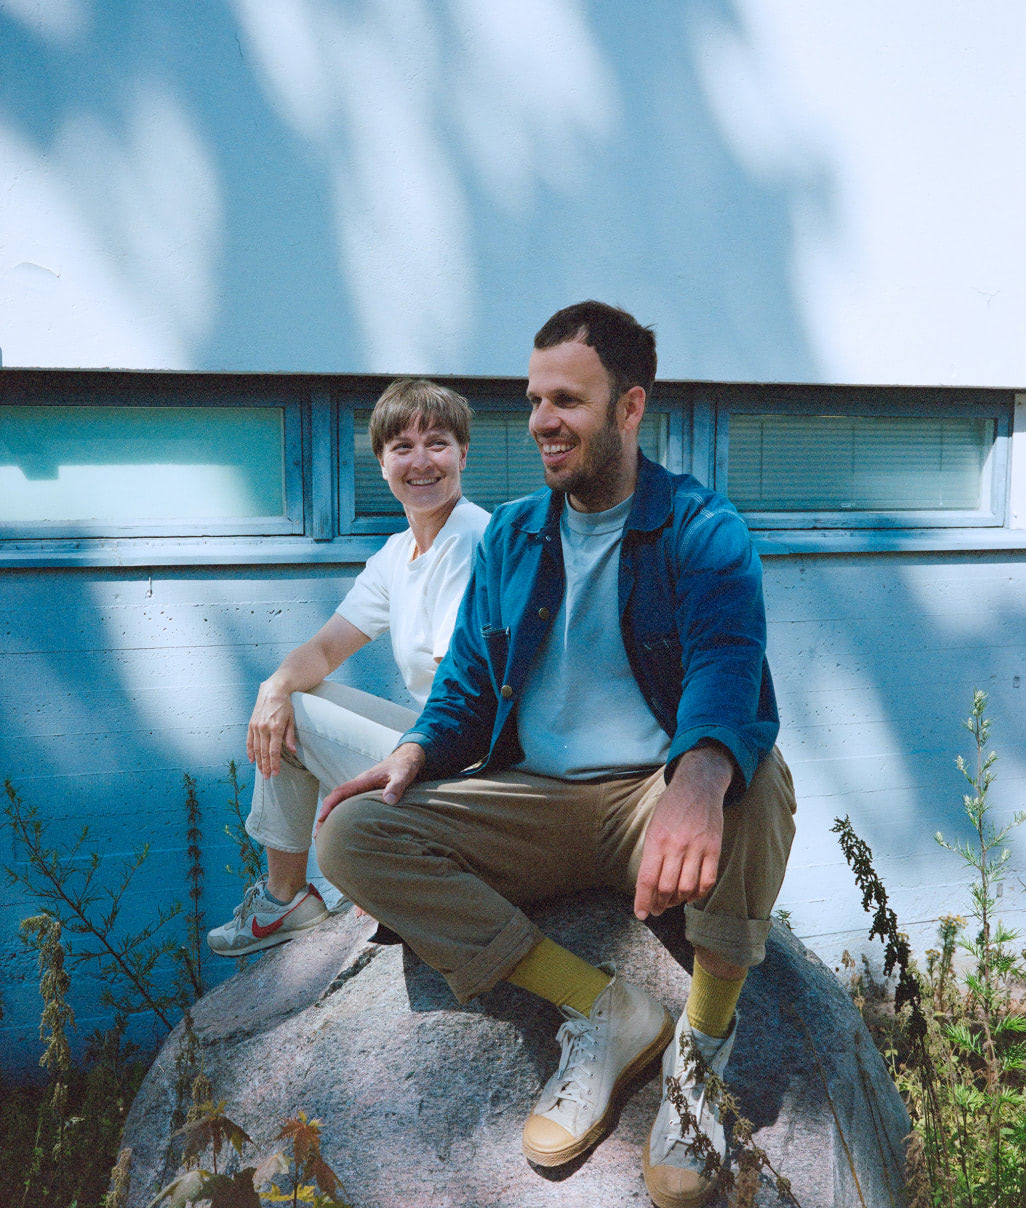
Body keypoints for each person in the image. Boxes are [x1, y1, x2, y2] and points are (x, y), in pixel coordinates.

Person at [314, 303, 796, 1208]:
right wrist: (415, 752)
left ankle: (701, 1050)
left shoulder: (702, 528)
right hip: (529, 801)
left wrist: (699, 776)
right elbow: (463, 683)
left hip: (645, 803)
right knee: (349, 835)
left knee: (757, 779)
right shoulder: (511, 536)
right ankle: (606, 1007)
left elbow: (730, 667)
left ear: (629, 408)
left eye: (567, 400)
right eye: (535, 399)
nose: (541, 421)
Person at [207, 378, 490, 958]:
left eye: (437, 443)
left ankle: (286, 898)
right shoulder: (399, 553)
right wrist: (273, 685)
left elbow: (461, 692)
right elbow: (324, 651)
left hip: (476, 768)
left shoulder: (469, 540)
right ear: (382, 462)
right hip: (444, 748)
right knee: (292, 698)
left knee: (299, 714)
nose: (421, 461)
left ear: (463, 453)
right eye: (401, 447)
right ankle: (291, 895)